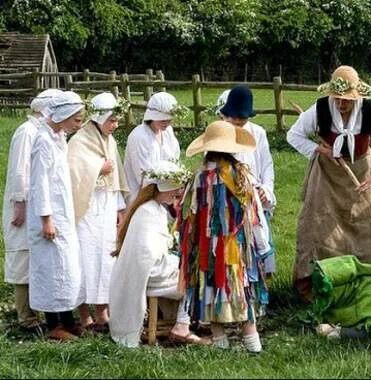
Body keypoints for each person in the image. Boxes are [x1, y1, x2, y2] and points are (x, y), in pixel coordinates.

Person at [286, 65, 371, 300]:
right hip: (327, 174)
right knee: (318, 225)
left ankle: (370, 278)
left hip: (363, 174)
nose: (340, 104)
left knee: (370, 224)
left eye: (346, 100)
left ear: (357, 96)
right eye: (337, 99)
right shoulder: (320, 109)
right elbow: (293, 135)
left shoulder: (370, 110)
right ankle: (318, 283)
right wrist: (320, 150)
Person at [179, 120, 269, 353]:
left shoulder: (198, 177)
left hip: (207, 247)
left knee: (210, 287)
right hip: (237, 246)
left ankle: (220, 342)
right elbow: (254, 214)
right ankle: (253, 342)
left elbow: (188, 215)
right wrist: (262, 245)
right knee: (241, 290)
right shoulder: (242, 177)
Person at [108, 160, 210, 347]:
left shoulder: (154, 209)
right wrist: (176, 262)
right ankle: (182, 326)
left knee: (191, 269)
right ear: (163, 188)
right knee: (195, 279)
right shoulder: (148, 212)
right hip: (151, 275)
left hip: (154, 269)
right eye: (175, 190)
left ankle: (190, 321)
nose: (178, 194)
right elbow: (147, 256)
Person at [67, 92, 129, 333]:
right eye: (111, 120)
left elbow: (115, 175)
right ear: (99, 117)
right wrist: (98, 168)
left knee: (105, 259)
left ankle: (103, 311)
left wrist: (119, 208)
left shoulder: (110, 141)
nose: (115, 125)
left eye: (116, 120)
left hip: (105, 207)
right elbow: (74, 175)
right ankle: (84, 314)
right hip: (87, 208)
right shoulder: (79, 141)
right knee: (85, 258)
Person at [2, 88, 62, 332]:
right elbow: (20, 171)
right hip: (25, 205)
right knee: (23, 257)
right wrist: (19, 204)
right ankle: (26, 316)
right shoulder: (26, 132)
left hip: (39, 204)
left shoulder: (48, 133)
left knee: (40, 255)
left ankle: (42, 308)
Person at [27, 91, 85, 341]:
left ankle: (68, 320)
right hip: (49, 217)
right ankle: (54, 325)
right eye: (77, 119)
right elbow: (40, 183)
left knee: (66, 268)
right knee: (53, 269)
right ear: (62, 115)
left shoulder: (58, 137)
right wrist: (46, 218)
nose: (79, 124)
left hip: (63, 214)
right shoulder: (43, 141)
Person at [216, 86, 277, 275]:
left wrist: (265, 190)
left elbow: (266, 165)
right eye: (232, 118)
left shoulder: (258, 133)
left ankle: (261, 288)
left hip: (255, 198)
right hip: (230, 202)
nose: (236, 122)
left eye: (241, 119)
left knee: (259, 248)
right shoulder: (219, 134)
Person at [124, 92, 181, 203]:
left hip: (165, 193)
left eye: (169, 120)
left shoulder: (168, 132)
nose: (167, 123)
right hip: (141, 197)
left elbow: (175, 160)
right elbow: (143, 177)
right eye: (163, 120)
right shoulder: (139, 136)